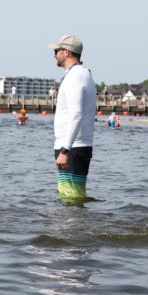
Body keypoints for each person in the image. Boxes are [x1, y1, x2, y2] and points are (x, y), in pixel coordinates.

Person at [50, 35, 97, 200]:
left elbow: (76, 114)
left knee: (70, 198)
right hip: (77, 146)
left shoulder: (75, 77)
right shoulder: (83, 74)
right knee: (73, 196)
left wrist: (65, 150)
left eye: (56, 51)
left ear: (66, 52)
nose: (54, 54)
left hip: (72, 147)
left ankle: (72, 226)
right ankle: (77, 225)